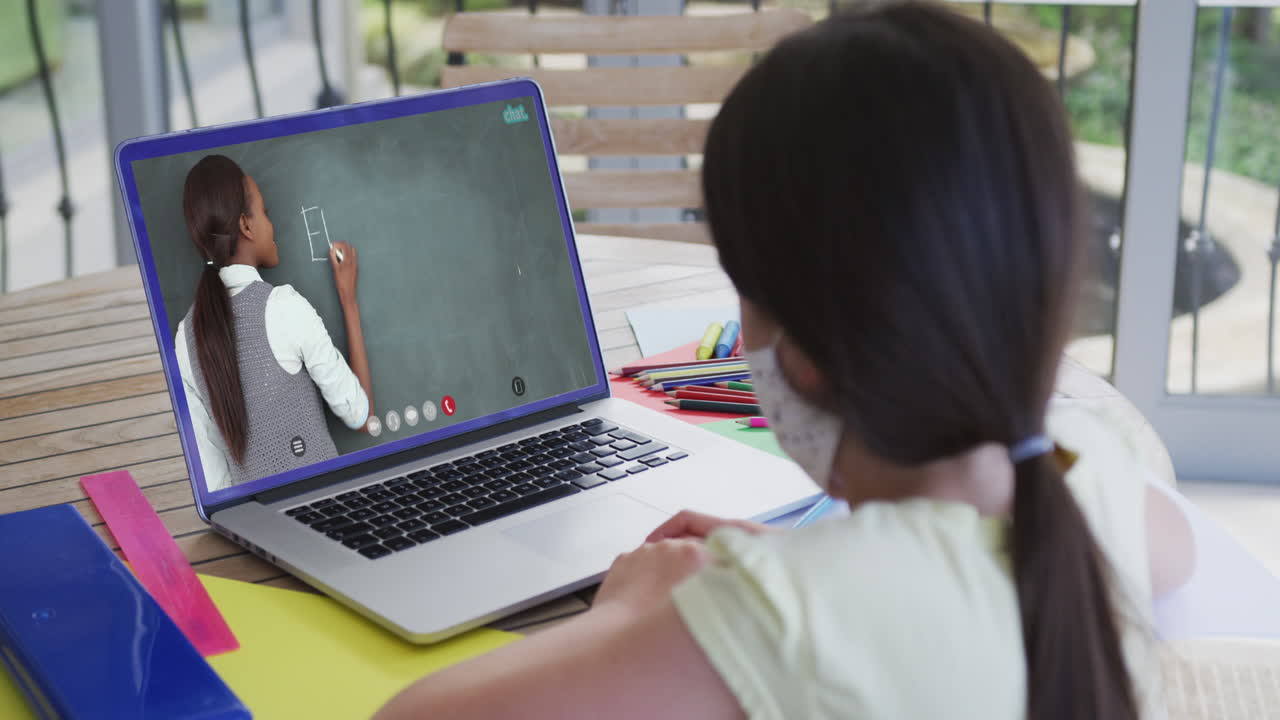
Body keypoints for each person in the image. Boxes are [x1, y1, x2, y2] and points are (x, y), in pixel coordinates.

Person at [375, 4, 1194, 718]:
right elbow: (1168, 551)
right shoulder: (1098, 477)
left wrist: (628, 618)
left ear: (798, 357)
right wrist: (808, 563)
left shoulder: (782, 620)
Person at [175, 154, 375, 492]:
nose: (272, 224)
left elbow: (216, 481)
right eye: (264, 213)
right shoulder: (283, 308)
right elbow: (362, 418)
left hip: (255, 529)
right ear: (246, 226)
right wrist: (349, 301)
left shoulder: (184, 338)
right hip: (328, 513)